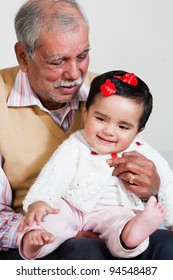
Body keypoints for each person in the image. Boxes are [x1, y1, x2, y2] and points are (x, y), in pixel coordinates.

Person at [0, 0, 173, 260]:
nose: (74, 73)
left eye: (82, 56)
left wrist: (152, 188)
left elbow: (137, 152)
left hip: (112, 222)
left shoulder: (107, 95)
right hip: (37, 231)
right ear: (24, 56)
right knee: (85, 252)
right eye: (57, 61)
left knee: (168, 246)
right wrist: (45, 231)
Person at [18, 70, 169, 260]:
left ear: (138, 131)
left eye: (123, 127)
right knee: (53, 217)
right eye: (101, 119)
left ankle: (131, 235)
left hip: (113, 209)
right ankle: (35, 244)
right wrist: (40, 201)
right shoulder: (76, 145)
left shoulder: (143, 152)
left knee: (121, 221)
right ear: (86, 113)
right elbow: (55, 175)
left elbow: (166, 183)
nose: (109, 131)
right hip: (73, 206)